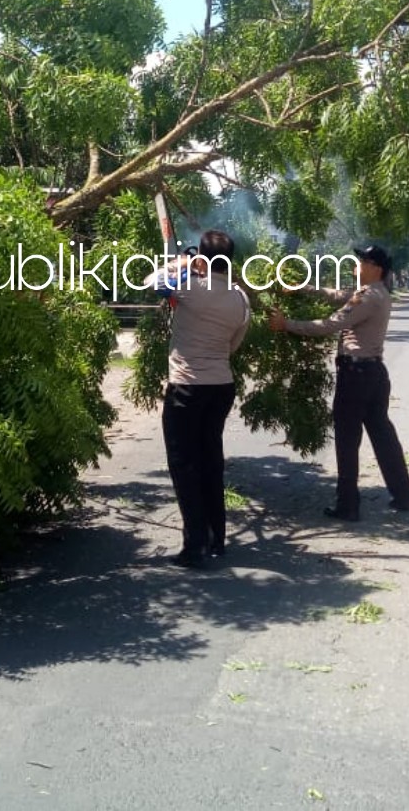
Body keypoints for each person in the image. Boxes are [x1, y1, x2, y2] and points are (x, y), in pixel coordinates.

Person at [268, 243, 409, 520]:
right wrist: (305, 288)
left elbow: (330, 324)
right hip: (373, 374)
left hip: (356, 376)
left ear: (376, 269)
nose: (356, 265)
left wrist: (287, 324)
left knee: (347, 440)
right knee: (382, 434)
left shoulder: (368, 297)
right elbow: (339, 296)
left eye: (362, 261)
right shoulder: (375, 293)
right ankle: (403, 494)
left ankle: (348, 505)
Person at [150, 230, 251, 569]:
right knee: (210, 459)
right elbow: (234, 344)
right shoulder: (240, 298)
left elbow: (153, 282)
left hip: (187, 386)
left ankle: (195, 544)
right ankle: (216, 538)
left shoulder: (190, 286)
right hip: (221, 384)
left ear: (204, 259)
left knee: (183, 463)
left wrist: (182, 262)